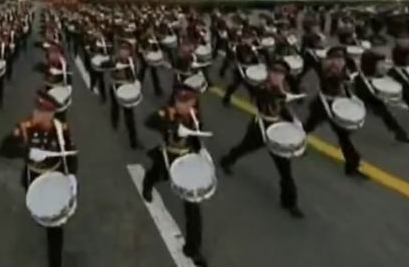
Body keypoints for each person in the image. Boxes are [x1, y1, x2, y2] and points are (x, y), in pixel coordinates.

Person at [0, 89, 78, 267]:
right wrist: (25, 151)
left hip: (55, 178)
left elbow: (71, 156)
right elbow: (3, 149)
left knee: (55, 226)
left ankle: (55, 262)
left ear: (50, 114)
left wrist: (72, 175)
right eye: (36, 109)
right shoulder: (25, 127)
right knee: (40, 212)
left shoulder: (61, 129)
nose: (36, 114)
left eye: (41, 112)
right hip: (33, 178)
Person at [220, 61, 304, 218]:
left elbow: (282, 108)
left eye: (281, 74)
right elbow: (266, 99)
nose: (277, 77)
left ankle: (290, 203)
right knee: (244, 148)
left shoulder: (282, 90)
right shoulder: (261, 88)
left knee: (285, 169)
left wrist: (293, 120)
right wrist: (282, 93)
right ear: (269, 73)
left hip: (277, 130)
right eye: (274, 73)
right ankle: (227, 160)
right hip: (259, 128)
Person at [141, 84, 209, 267]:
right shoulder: (167, 113)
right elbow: (148, 121)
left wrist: (200, 155)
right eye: (180, 101)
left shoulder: (195, 115)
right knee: (156, 175)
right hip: (167, 156)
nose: (184, 106)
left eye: (188, 102)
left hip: (186, 159)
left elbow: (196, 138)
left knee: (193, 206)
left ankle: (193, 249)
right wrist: (170, 124)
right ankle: (147, 185)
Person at [302, 47, 366, 179]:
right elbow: (333, 81)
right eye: (337, 58)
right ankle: (296, 143)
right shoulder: (327, 68)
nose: (340, 61)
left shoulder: (341, 66)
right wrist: (343, 75)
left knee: (341, 136)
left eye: (341, 58)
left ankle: (352, 165)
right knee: (310, 126)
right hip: (324, 103)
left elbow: (345, 84)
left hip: (335, 102)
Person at [354, 50, 409, 143]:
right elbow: (368, 95)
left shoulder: (377, 74)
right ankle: (400, 134)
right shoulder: (361, 79)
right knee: (385, 113)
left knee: (405, 91)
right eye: (378, 63)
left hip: (376, 96)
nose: (381, 65)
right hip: (368, 101)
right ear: (371, 65)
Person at [110, 40, 142, 149]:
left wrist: (136, 82)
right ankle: (114, 125)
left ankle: (133, 141)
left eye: (126, 50)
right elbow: (106, 66)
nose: (124, 52)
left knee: (129, 116)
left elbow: (135, 75)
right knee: (115, 108)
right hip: (116, 86)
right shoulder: (114, 60)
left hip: (128, 88)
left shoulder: (132, 61)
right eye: (122, 50)